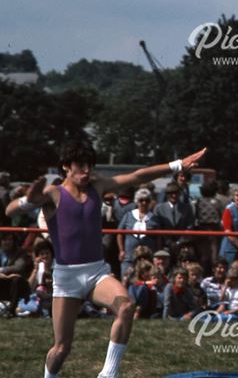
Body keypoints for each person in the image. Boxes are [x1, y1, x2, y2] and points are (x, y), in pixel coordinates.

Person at [9, 141, 205, 378]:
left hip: (96, 272)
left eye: (89, 165)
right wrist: (29, 199)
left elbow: (138, 176)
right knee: (61, 349)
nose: (86, 171)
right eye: (80, 165)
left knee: (126, 306)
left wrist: (178, 165)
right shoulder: (54, 193)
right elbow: (11, 211)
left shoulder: (98, 186)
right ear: (65, 168)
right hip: (66, 278)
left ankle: (108, 374)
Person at [116, 188, 159, 279]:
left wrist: (156, 254)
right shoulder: (128, 215)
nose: (144, 203)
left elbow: (158, 237)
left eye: (147, 200)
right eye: (141, 200)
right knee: (126, 278)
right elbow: (119, 233)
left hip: (148, 258)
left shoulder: (154, 218)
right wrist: (121, 250)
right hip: (129, 257)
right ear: (136, 202)